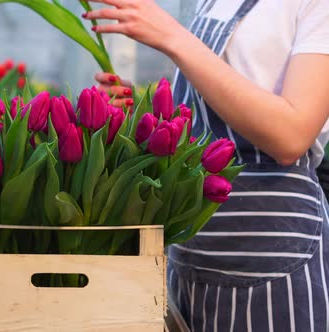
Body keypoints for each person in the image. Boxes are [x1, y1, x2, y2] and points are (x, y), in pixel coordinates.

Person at [82, 0, 329, 330]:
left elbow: (291, 136)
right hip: (192, 252)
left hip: (271, 252)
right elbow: (208, 119)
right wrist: (143, 119)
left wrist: (172, 35)